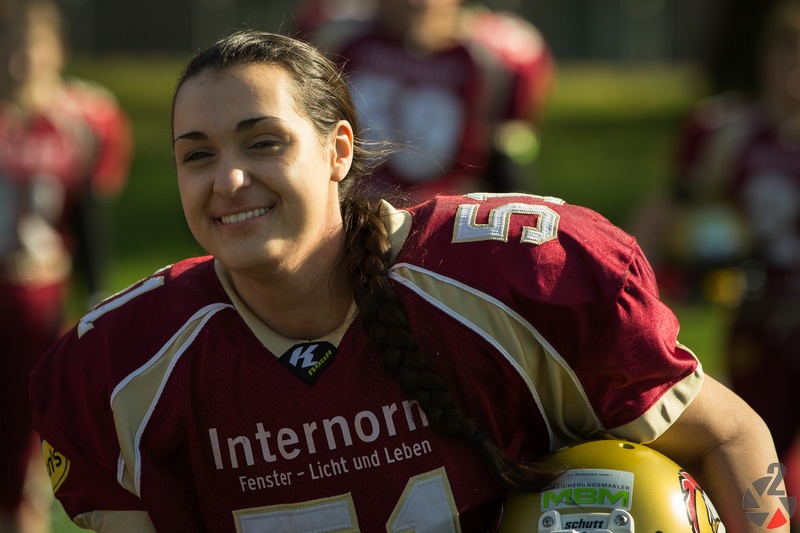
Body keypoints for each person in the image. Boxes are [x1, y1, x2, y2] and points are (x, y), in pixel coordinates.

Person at [29, 30, 784, 532]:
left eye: (262, 143)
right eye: (197, 155)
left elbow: (730, 434)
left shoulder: (507, 281)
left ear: (338, 151)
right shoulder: (125, 367)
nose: (227, 180)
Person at [633, 0, 800, 519]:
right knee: (753, 455)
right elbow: (671, 209)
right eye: (787, 55)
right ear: (765, 59)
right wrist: (637, 287)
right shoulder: (731, 130)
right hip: (759, 317)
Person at [0, 0, 132, 531]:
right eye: (9, 47)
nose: (20, 63)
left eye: (31, 49)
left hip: (36, 292)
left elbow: (88, 214)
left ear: (56, 51)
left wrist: (94, 292)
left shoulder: (83, 117)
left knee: (23, 440)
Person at [297, 0, 555, 204]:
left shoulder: (494, 57)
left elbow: (507, 154)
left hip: (446, 215)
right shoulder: (335, 36)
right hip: (348, 204)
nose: (415, 3)